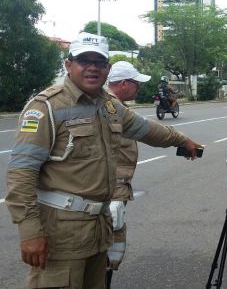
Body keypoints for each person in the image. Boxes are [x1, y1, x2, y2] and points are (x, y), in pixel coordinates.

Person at [5, 32, 202, 288]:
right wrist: (30, 232)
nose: (92, 67)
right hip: (60, 234)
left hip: (98, 229)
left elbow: (145, 129)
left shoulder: (108, 105)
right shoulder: (46, 108)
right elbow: (21, 173)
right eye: (83, 60)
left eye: (99, 62)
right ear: (68, 65)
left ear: (107, 69)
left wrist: (181, 140)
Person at [105, 61, 151, 287]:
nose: (138, 88)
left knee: (112, 247)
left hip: (116, 188)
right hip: (109, 189)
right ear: (123, 83)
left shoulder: (116, 107)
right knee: (106, 248)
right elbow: (151, 132)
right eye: (135, 83)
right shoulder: (109, 108)